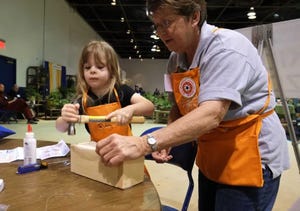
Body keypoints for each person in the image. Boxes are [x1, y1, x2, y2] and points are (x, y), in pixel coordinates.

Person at [94, 1, 290, 210]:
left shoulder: (226, 49)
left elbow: (212, 114)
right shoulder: (175, 60)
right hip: (212, 155)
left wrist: (145, 143)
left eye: (167, 22)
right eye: (156, 25)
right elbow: (178, 107)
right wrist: (165, 140)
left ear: (194, 17)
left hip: (249, 154)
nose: (160, 32)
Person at [55, 40, 154, 141]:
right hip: (98, 148)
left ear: (112, 70)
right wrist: (65, 118)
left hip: (124, 147)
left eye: (100, 67)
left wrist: (130, 109)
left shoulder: (121, 90)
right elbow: (60, 128)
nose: (92, 71)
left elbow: (149, 107)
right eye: (87, 67)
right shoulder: (83, 99)